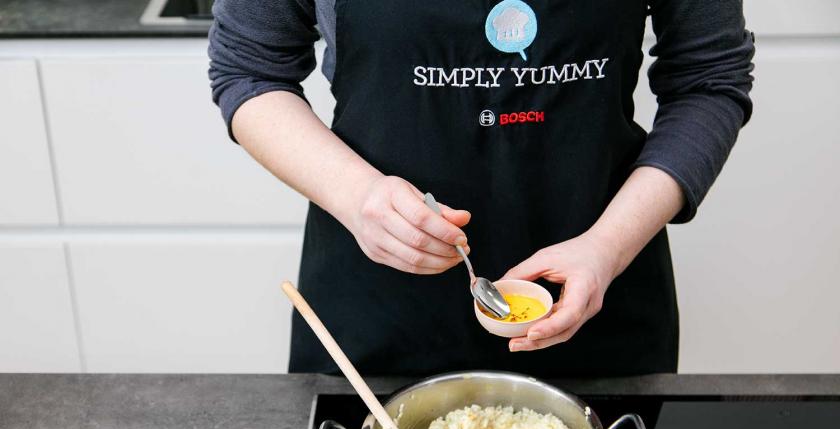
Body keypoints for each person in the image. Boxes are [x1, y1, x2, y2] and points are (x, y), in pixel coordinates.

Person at [208, 0, 754, 376]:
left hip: (600, 303)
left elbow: (709, 80)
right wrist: (358, 196)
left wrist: (607, 248)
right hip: (374, 322)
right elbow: (249, 69)